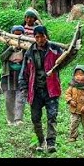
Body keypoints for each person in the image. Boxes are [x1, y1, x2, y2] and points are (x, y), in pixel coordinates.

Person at [19, 25, 64, 153]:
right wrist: (24, 89)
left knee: (52, 116)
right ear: (34, 38)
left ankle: (51, 143)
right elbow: (24, 73)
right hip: (35, 91)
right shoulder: (29, 52)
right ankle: (41, 141)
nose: (40, 39)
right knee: (35, 118)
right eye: (37, 37)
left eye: (42, 36)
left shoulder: (55, 49)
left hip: (51, 89)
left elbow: (65, 59)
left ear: (46, 36)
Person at [0, 25, 27, 126]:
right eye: (15, 36)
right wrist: (11, 48)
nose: (17, 38)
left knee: (21, 97)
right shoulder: (7, 45)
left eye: (20, 36)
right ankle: (10, 119)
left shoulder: (26, 46)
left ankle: (18, 119)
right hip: (9, 75)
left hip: (21, 75)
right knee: (9, 98)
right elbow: (2, 58)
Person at [65, 65, 84, 142]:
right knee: (73, 123)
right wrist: (70, 100)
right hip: (75, 110)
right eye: (76, 75)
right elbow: (67, 94)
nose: (78, 77)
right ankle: (73, 136)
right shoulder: (72, 86)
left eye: (81, 75)